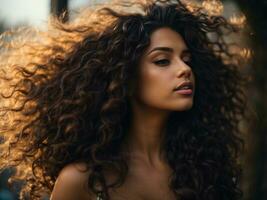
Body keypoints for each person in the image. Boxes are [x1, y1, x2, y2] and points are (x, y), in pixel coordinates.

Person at [0, 0, 249, 199]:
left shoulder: (205, 169)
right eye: (163, 60)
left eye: (187, 59)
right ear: (125, 77)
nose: (184, 69)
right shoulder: (82, 180)